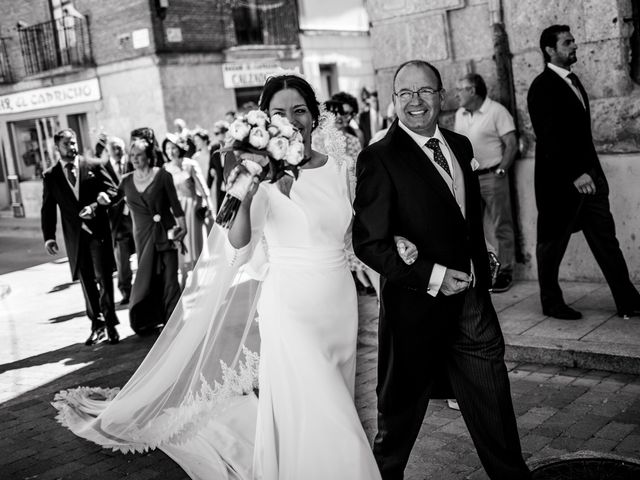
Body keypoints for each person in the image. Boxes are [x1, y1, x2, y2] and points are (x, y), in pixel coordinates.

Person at [53, 73, 420, 479]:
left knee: (323, 402)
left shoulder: (342, 169)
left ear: (314, 118)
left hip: (337, 304)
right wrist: (244, 194)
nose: (292, 120)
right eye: (280, 112)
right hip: (289, 306)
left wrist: (397, 241)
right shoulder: (258, 176)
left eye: (300, 110)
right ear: (267, 122)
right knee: (330, 411)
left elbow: (359, 233)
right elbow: (239, 247)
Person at [353, 60, 531, 480]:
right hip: (416, 310)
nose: (416, 101)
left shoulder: (460, 145)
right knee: (399, 420)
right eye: (405, 94)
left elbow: (463, 212)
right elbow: (369, 242)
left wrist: (480, 247)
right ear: (394, 101)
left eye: (425, 91)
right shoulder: (378, 158)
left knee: (492, 398)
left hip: (471, 301)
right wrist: (432, 275)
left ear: (442, 95)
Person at [527, 25, 640, 320]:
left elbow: (579, 136)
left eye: (573, 40)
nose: (574, 45)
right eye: (567, 42)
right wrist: (577, 174)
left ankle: (628, 300)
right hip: (560, 184)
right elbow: (549, 137)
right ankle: (551, 302)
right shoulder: (542, 86)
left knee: (606, 241)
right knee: (551, 246)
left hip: (592, 180)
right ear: (550, 50)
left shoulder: (574, 81)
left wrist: (594, 174)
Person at [41, 128, 120, 345]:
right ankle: (97, 325)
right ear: (57, 147)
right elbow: (47, 208)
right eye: (67, 144)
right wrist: (49, 237)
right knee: (86, 281)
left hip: (97, 233)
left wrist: (97, 204)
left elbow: (114, 191)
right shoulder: (51, 176)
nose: (72, 147)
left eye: (74, 142)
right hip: (75, 238)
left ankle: (111, 324)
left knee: (104, 278)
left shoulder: (93, 166)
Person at [454, 73, 518, 293]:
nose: (456, 94)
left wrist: (501, 170)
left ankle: (506, 271)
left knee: (502, 224)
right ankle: (482, 269)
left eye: (460, 89)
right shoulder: (460, 114)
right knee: (470, 225)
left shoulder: (497, 111)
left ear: (472, 90)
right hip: (469, 178)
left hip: (493, 176)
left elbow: (511, 143)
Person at [118, 138, 186, 334]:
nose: (135, 159)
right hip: (143, 238)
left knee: (171, 279)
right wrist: (96, 204)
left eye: (139, 155)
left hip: (166, 233)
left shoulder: (163, 176)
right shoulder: (126, 180)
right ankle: (147, 318)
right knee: (149, 279)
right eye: (132, 156)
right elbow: (112, 199)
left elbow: (175, 204)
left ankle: (174, 324)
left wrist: (183, 227)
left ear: (148, 156)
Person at [162, 133, 214, 287]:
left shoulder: (190, 164)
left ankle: (197, 276)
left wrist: (208, 205)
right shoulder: (165, 169)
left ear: (179, 148)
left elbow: (203, 188)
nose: (170, 151)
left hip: (192, 208)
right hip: (176, 212)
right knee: (180, 244)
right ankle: (183, 277)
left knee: (194, 243)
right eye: (167, 149)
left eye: (172, 147)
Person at [100, 136, 135, 305]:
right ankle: (126, 290)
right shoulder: (103, 168)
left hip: (137, 217)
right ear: (108, 150)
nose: (117, 151)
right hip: (117, 222)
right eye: (113, 147)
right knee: (122, 259)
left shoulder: (132, 162)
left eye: (120, 147)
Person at [207, 120, 230, 210]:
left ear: (226, 132)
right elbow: (211, 166)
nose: (216, 135)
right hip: (221, 187)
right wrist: (208, 188)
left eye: (218, 133)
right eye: (214, 133)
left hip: (233, 186)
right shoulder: (214, 148)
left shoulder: (233, 146)